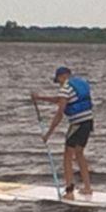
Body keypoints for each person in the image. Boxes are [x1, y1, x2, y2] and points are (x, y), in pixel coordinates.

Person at [31, 66, 94, 200]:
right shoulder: (79, 84)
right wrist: (40, 98)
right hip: (88, 122)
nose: (58, 83)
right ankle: (88, 188)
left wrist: (48, 134)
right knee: (79, 153)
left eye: (58, 80)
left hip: (77, 124)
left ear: (61, 77)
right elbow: (60, 99)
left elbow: (60, 113)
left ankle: (69, 192)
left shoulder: (65, 88)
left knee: (67, 155)